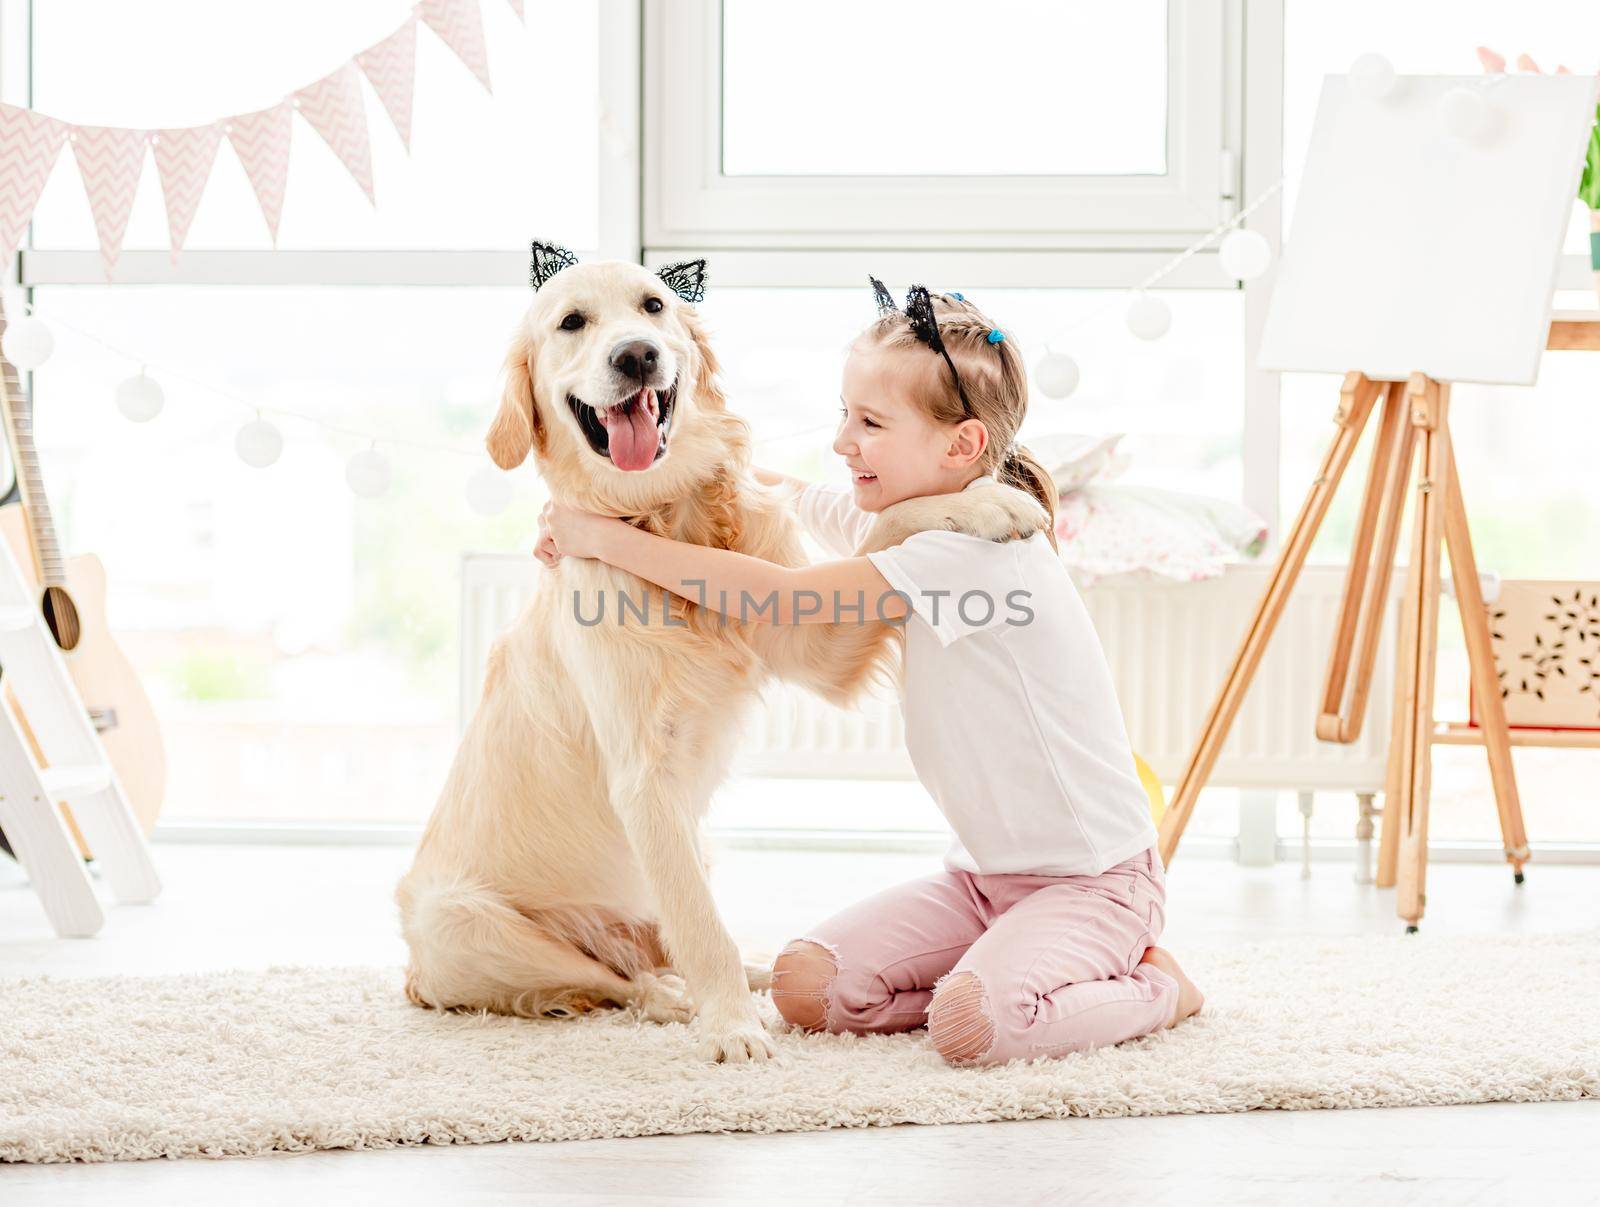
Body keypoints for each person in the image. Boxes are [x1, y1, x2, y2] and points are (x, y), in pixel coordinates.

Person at [537, 283, 1203, 1067]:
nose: (844, 442)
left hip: (1092, 884)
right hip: (982, 880)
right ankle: (995, 967)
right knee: (803, 986)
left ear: (960, 448)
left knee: (975, 1028)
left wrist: (600, 539)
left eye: (871, 424)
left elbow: (777, 600)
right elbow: (796, 498)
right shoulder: (916, 514)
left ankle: (1159, 987)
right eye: (844, 415)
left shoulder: (977, 550)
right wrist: (688, 483)